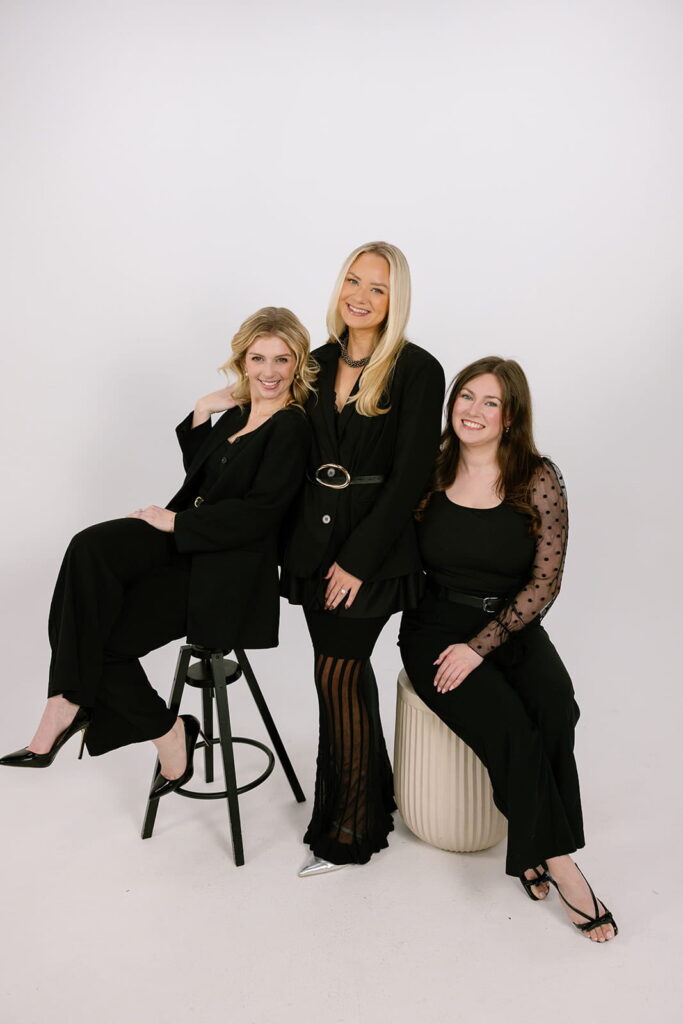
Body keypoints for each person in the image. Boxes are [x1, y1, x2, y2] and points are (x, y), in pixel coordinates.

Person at [1, 307, 315, 798]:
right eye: (258, 358)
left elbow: (261, 513)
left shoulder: (291, 426)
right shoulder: (238, 414)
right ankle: (68, 703)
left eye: (282, 359)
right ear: (243, 360)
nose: (269, 372)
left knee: (98, 643)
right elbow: (209, 475)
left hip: (226, 569)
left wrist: (177, 522)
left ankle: (156, 730)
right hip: (189, 542)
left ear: (298, 363)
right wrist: (203, 409)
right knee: (89, 547)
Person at [398, 356, 618, 942]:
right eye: (466, 396)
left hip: (511, 624)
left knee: (557, 707)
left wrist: (482, 645)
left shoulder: (537, 476)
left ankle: (531, 844)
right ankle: (561, 864)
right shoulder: (430, 466)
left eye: (490, 402)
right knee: (512, 728)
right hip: (435, 628)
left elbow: (546, 581)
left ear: (510, 416)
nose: (473, 410)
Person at [280, 241, 445, 875]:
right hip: (311, 547)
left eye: (378, 287)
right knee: (341, 675)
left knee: (337, 674)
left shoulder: (417, 369)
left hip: (373, 554)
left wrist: (357, 561)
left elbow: (410, 478)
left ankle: (348, 829)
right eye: (354, 280)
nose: (361, 296)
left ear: (395, 299)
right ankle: (372, 797)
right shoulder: (316, 362)